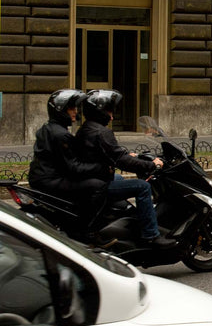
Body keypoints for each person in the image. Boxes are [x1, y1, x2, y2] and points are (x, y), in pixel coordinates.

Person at [74, 89, 176, 249]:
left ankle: (126, 215)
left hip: (92, 179)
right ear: (99, 111)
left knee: (120, 179)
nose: (112, 116)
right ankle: (151, 235)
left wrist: (129, 155)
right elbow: (120, 161)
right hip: (99, 183)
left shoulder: (86, 128)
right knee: (143, 187)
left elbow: (107, 153)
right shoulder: (102, 132)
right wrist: (152, 165)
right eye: (109, 111)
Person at [28, 90, 106, 219]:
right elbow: (74, 167)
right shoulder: (61, 134)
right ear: (60, 110)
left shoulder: (48, 128)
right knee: (98, 185)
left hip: (41, 178)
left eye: (75, 107)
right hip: (51, 180)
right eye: (71, 108)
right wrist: (100, 167)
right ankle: (87, 227)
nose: (75, 111)